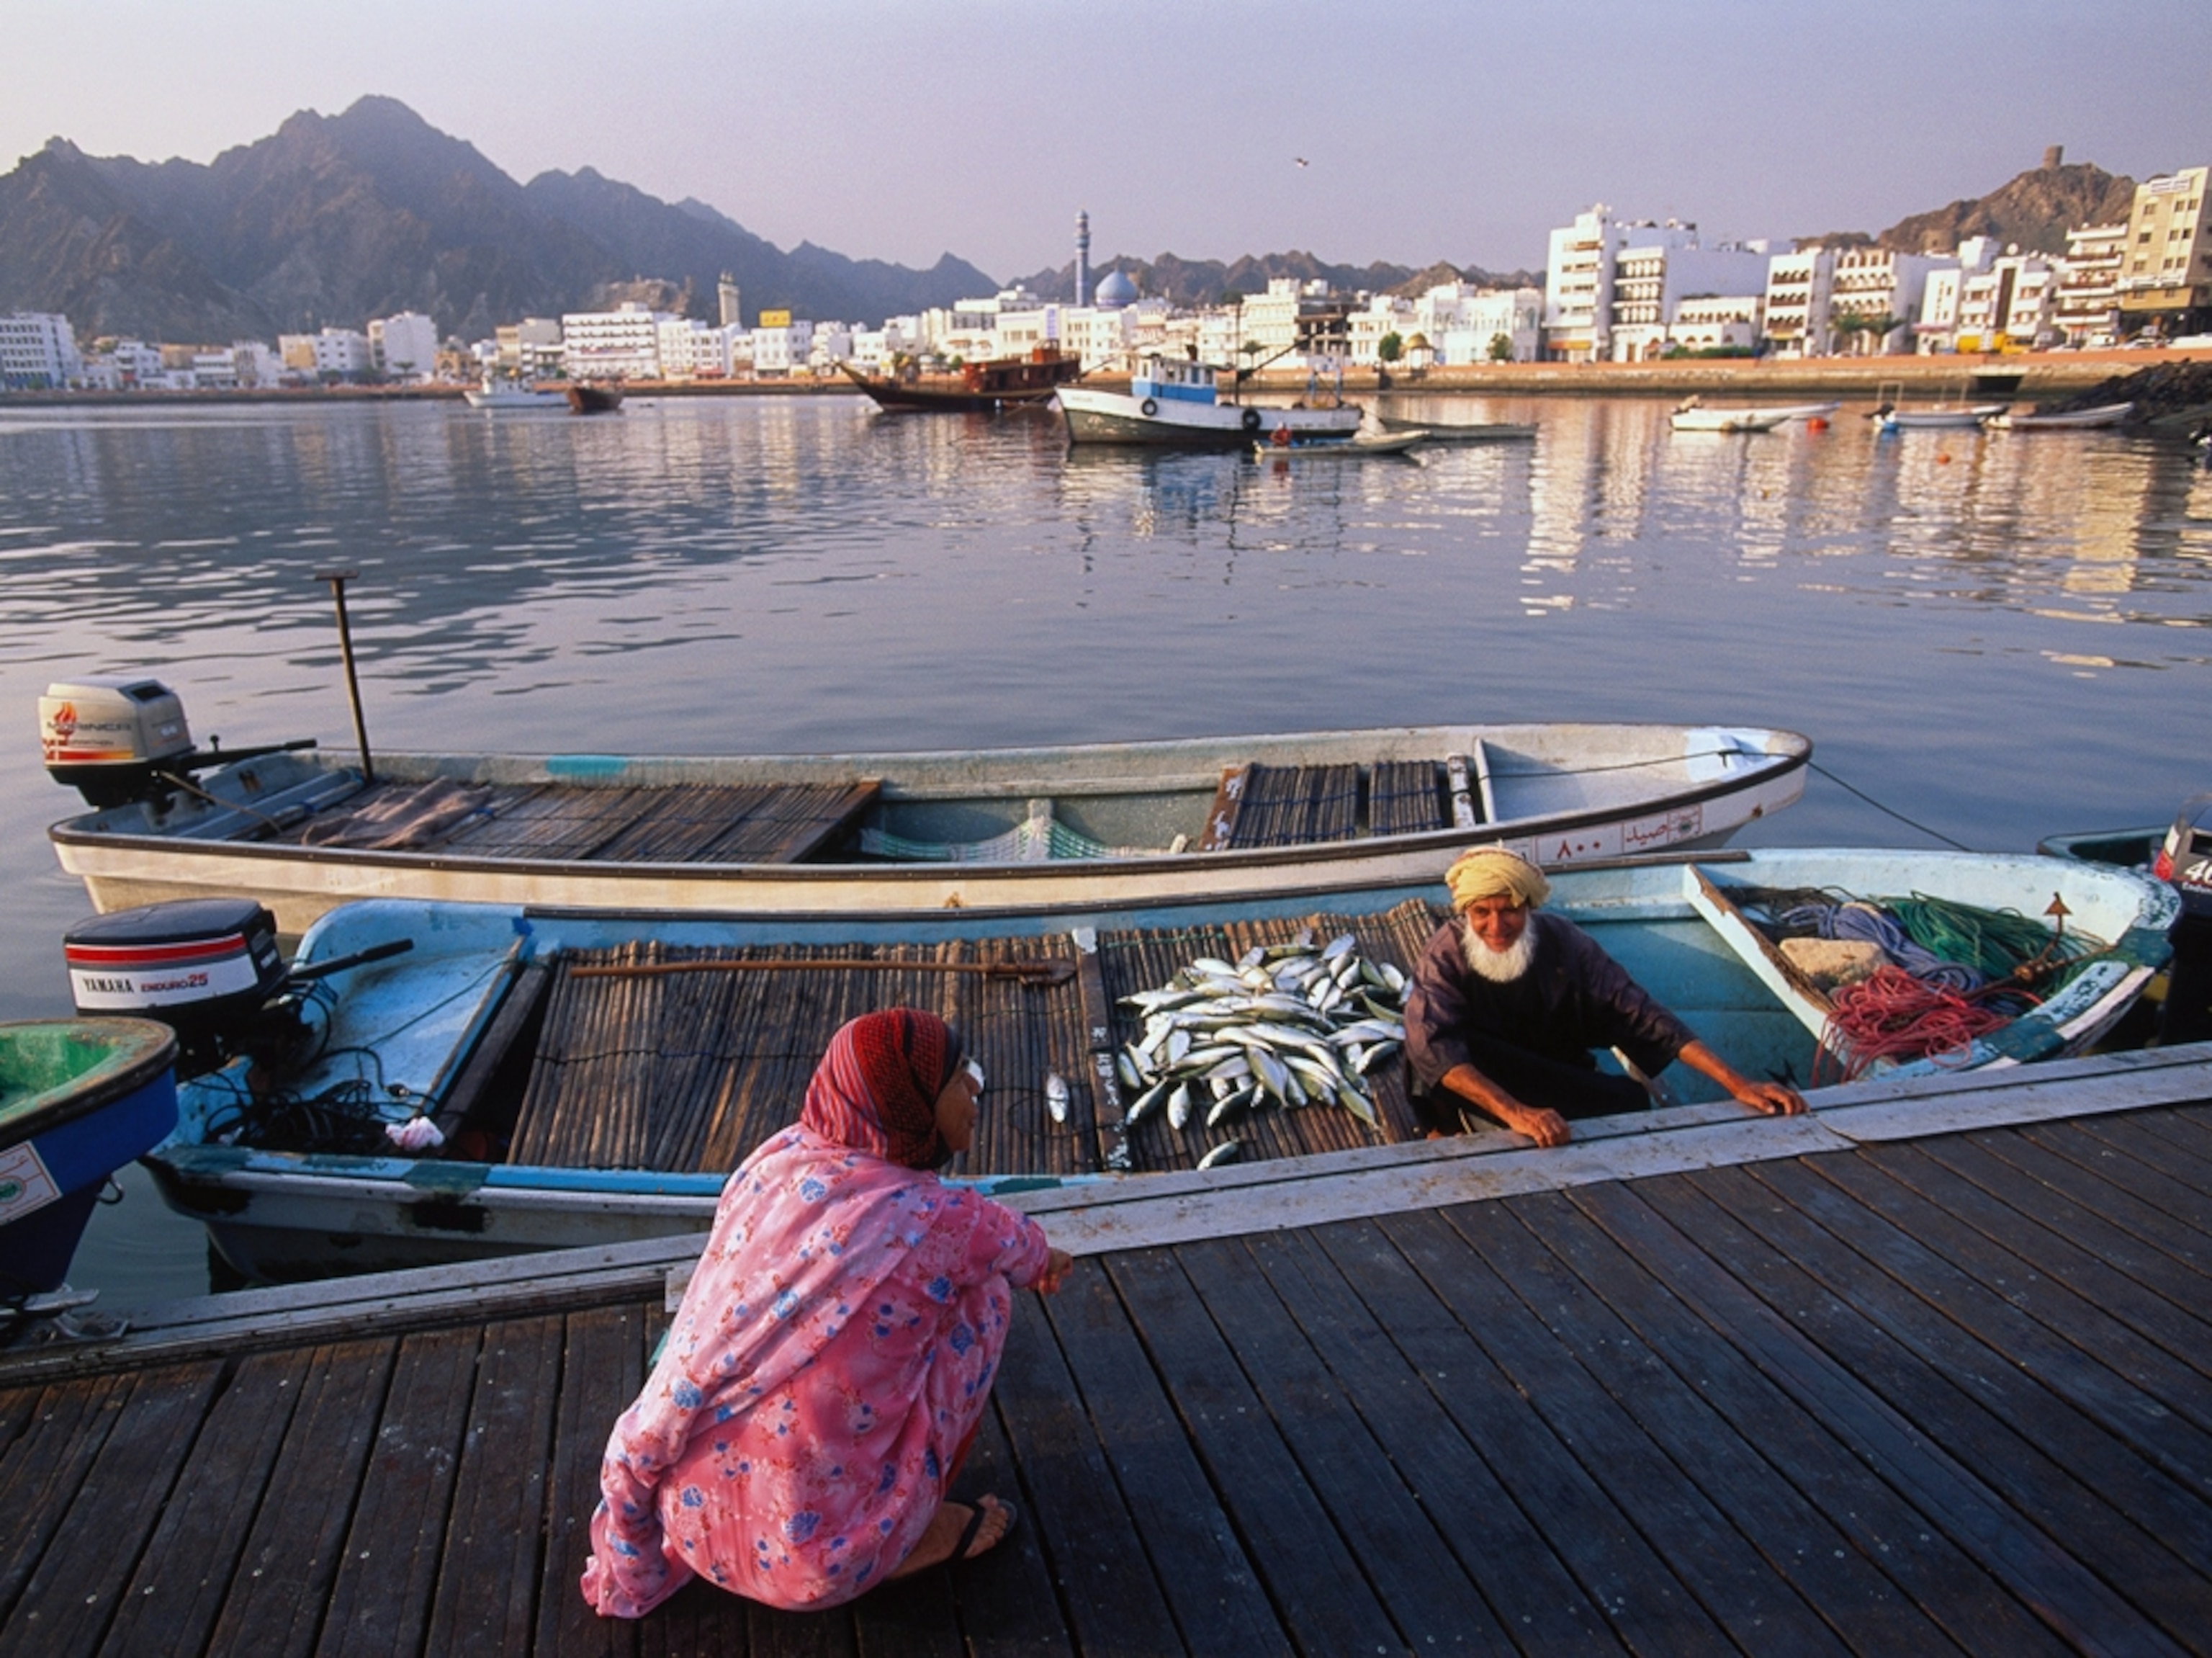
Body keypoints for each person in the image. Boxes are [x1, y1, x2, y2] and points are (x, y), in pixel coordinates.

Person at [580, 1008, 1073, 1618]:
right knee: (986, 1296)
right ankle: (911, 1532)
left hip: (689, 1528)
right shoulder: (940, 1219)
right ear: (909, 1103)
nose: (975, 1089)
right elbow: (1023, 1251)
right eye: (958, 1077)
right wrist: (1049, 1259)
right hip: (819, 1564)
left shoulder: (776, 1159)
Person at [1405, 848, 1804, 1147]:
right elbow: (1433, 1044)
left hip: (1549, 1068)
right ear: (1466, 913)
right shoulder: (1446, 953)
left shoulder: (1565, 944)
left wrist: (1737, 1084)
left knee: (1626, 1102)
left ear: (1528, 906)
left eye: (1509, 910)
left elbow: (1641, 1015)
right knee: (1423, 1043)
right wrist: (1517, 1114)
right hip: (1484, 1069)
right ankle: (1445, 1129)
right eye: (1481, 912)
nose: (1496, 926)